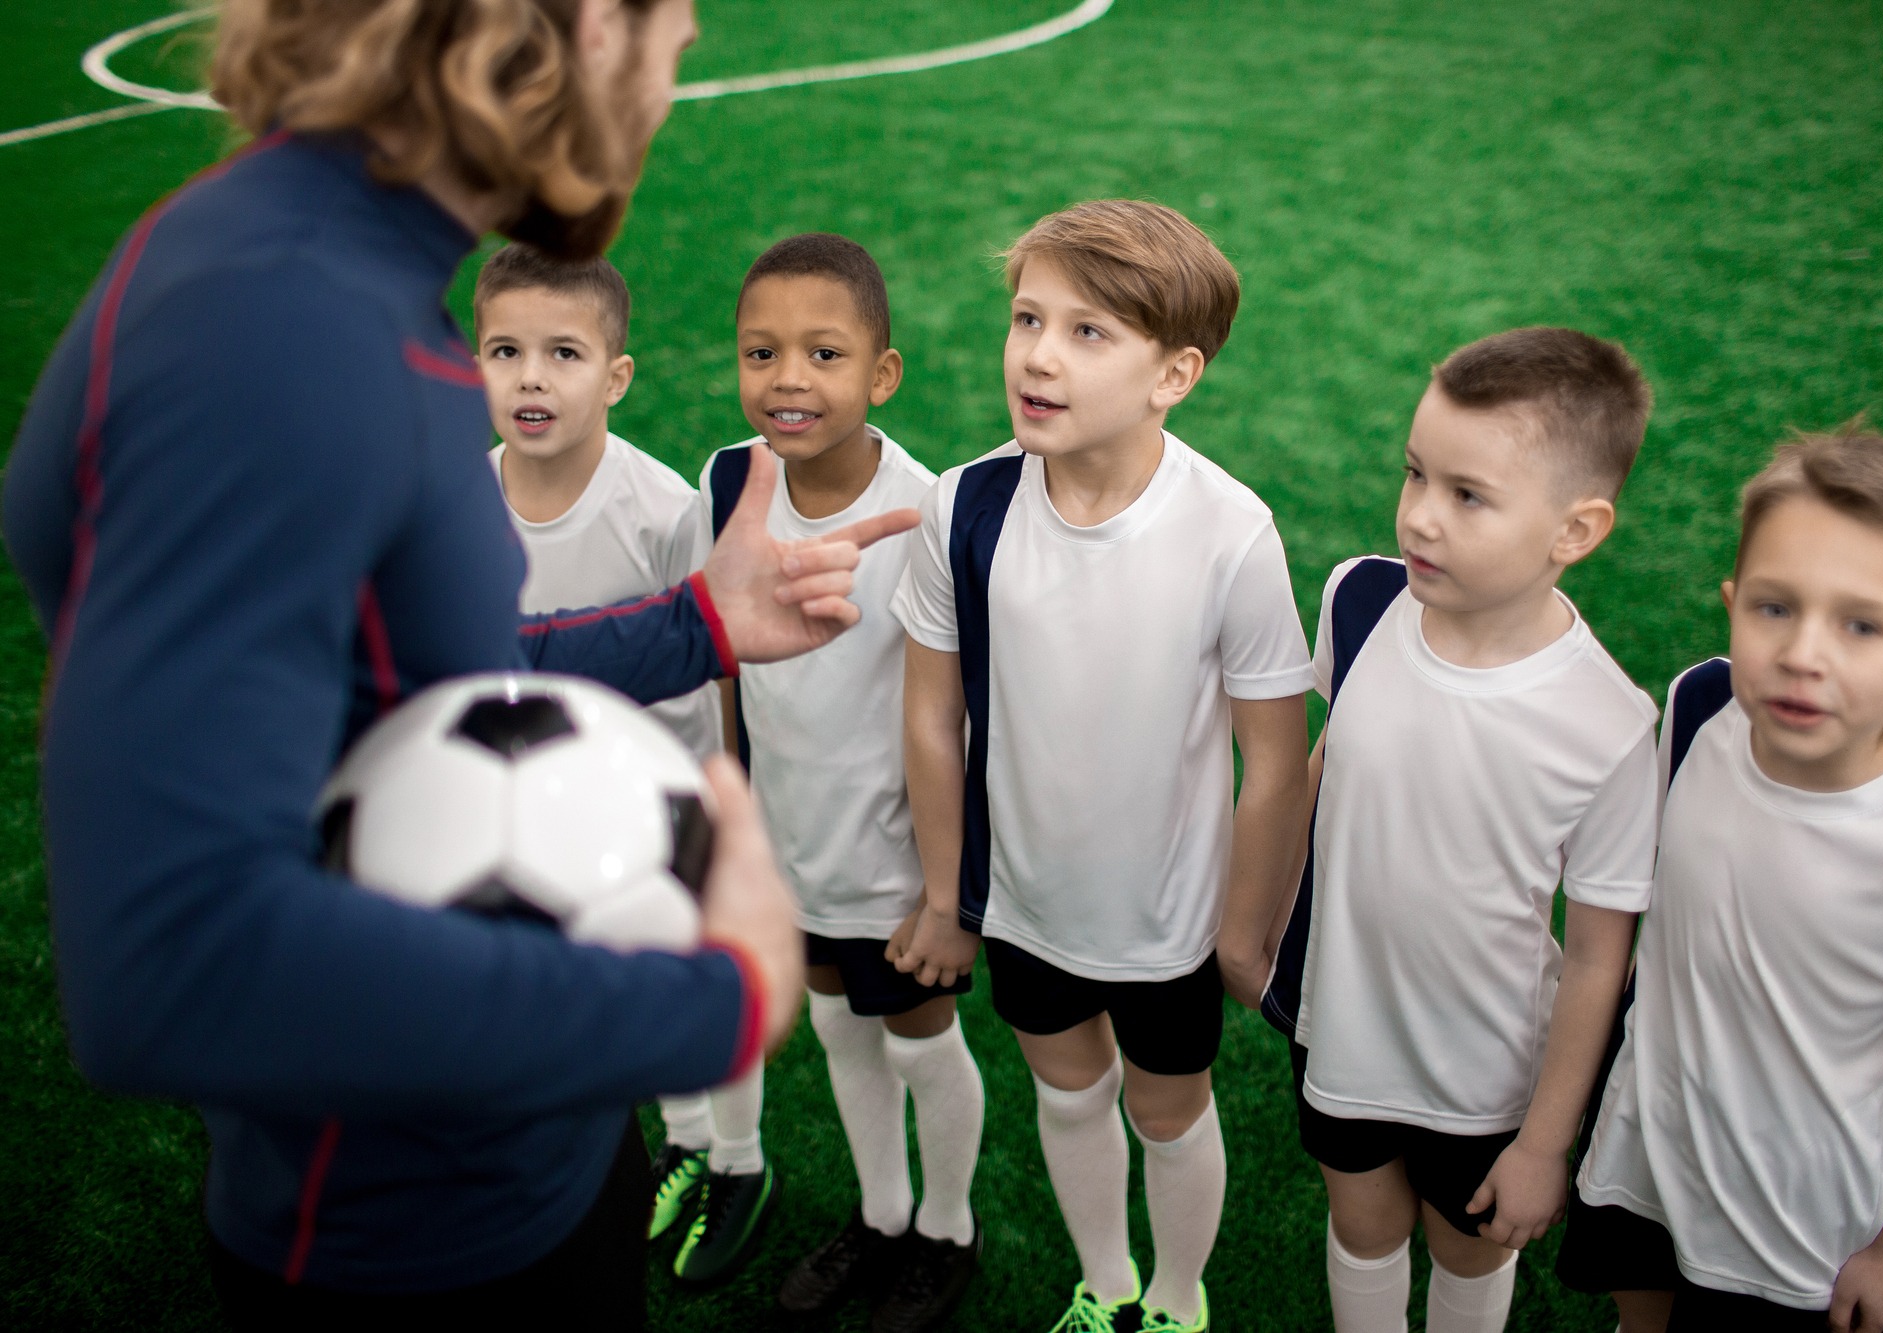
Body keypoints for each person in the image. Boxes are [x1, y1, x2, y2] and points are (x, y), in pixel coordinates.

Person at [1, 1, 916, 1325]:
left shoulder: (319, 267)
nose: (683, 56)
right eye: (669, 22)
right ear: (579, 27)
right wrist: (701, 1004)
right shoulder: (279, 331)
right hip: (417, 1237)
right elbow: (169, 966)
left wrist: (692, 624)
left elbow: (393, 675)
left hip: (507, 1157)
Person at [887, 200, 1315, 1333]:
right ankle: (1105, 1284)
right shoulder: (965, 503)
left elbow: (1273, 762)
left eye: (1087, 333)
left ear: (1174, 373)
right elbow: (932, 712)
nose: (1036, 354)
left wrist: (1243, 929)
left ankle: (1176, 1300)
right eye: (1027, 317)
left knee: (1169, 1113)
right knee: (1068, 1095)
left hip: (1165, 920)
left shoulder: (1231, 531)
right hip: (1027, 905)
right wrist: (949, 893)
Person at [1257, 328, 1659, 1333]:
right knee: (1360, 1226)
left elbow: (1601, 958)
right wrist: (1247, 933)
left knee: (1461, 1249)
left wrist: (1540, 1144)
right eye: (1413, 474)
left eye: (1467, 495)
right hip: (1344, 1027)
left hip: (1487, 1076)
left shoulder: (1609, 727)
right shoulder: (1359, 601)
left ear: (1575, 530)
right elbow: (1319, 773)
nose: (1420, 517)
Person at [1558, 429, 1883, 1333]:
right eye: (1773, 608)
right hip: (1644, 1154)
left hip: (1789, 1228)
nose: (1803, 652)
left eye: (1860, 624)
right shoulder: (1709, 727)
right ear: (1731, 604)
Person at [672, 233, 985, 1330]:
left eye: (822, 353)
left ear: (880, 374)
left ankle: (946, 1228)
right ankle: (882, 1212)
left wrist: (948, 894)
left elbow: (959, 717)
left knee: (919, 1041)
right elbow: (725, 665)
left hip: (896, 864)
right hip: (792, 846)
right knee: (843, 1033)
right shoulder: (727, 483)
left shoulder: (931, 514)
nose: (789, 379)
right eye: (761, 353)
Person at [476, 242, 724, 760]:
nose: (530, 377)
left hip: (652, 808)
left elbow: (720, 663)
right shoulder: (457, 509)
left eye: (564, 353)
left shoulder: (670, 515)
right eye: (506, 351)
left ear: (616, 379)